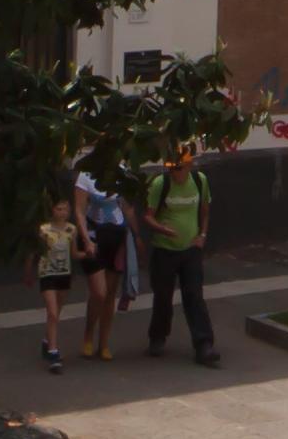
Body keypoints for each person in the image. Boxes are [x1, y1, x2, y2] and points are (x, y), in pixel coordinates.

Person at [140, 143, 219, 364]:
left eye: (180, 168)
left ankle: (204, 344)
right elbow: (148, 215)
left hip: (191, 249)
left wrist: (202, 235)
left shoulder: (199, 181)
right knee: (163, 297)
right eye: (172, 169)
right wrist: (161, 229)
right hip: (165, 250)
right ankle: (158, 336)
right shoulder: (160, 184)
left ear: (188, 166)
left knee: (194, 295)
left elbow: (205, 211)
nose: (176, 173)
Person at [75, 157, 133, 359]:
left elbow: (127, 206)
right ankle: (88, 335)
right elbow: (79, 210)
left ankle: (104, 342)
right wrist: (86, 239)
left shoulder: (122, 170)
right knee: (99, 292)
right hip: (93, 235)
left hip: (116, 235)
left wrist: (136, 237)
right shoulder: (86, 173)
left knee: (110, 294)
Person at [32, 185, 83, 373]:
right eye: (59, 209)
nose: (63, 213)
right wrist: (28, 271)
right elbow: (34, 252)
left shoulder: (72, 230)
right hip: (47, 273)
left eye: (66, 209)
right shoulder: (43, 230)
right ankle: (53, 352)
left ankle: (47, 341)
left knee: (57, 313)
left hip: (64, 273)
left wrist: (89, 252)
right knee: (52, 312)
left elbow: (75, 253)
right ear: (52, 210)